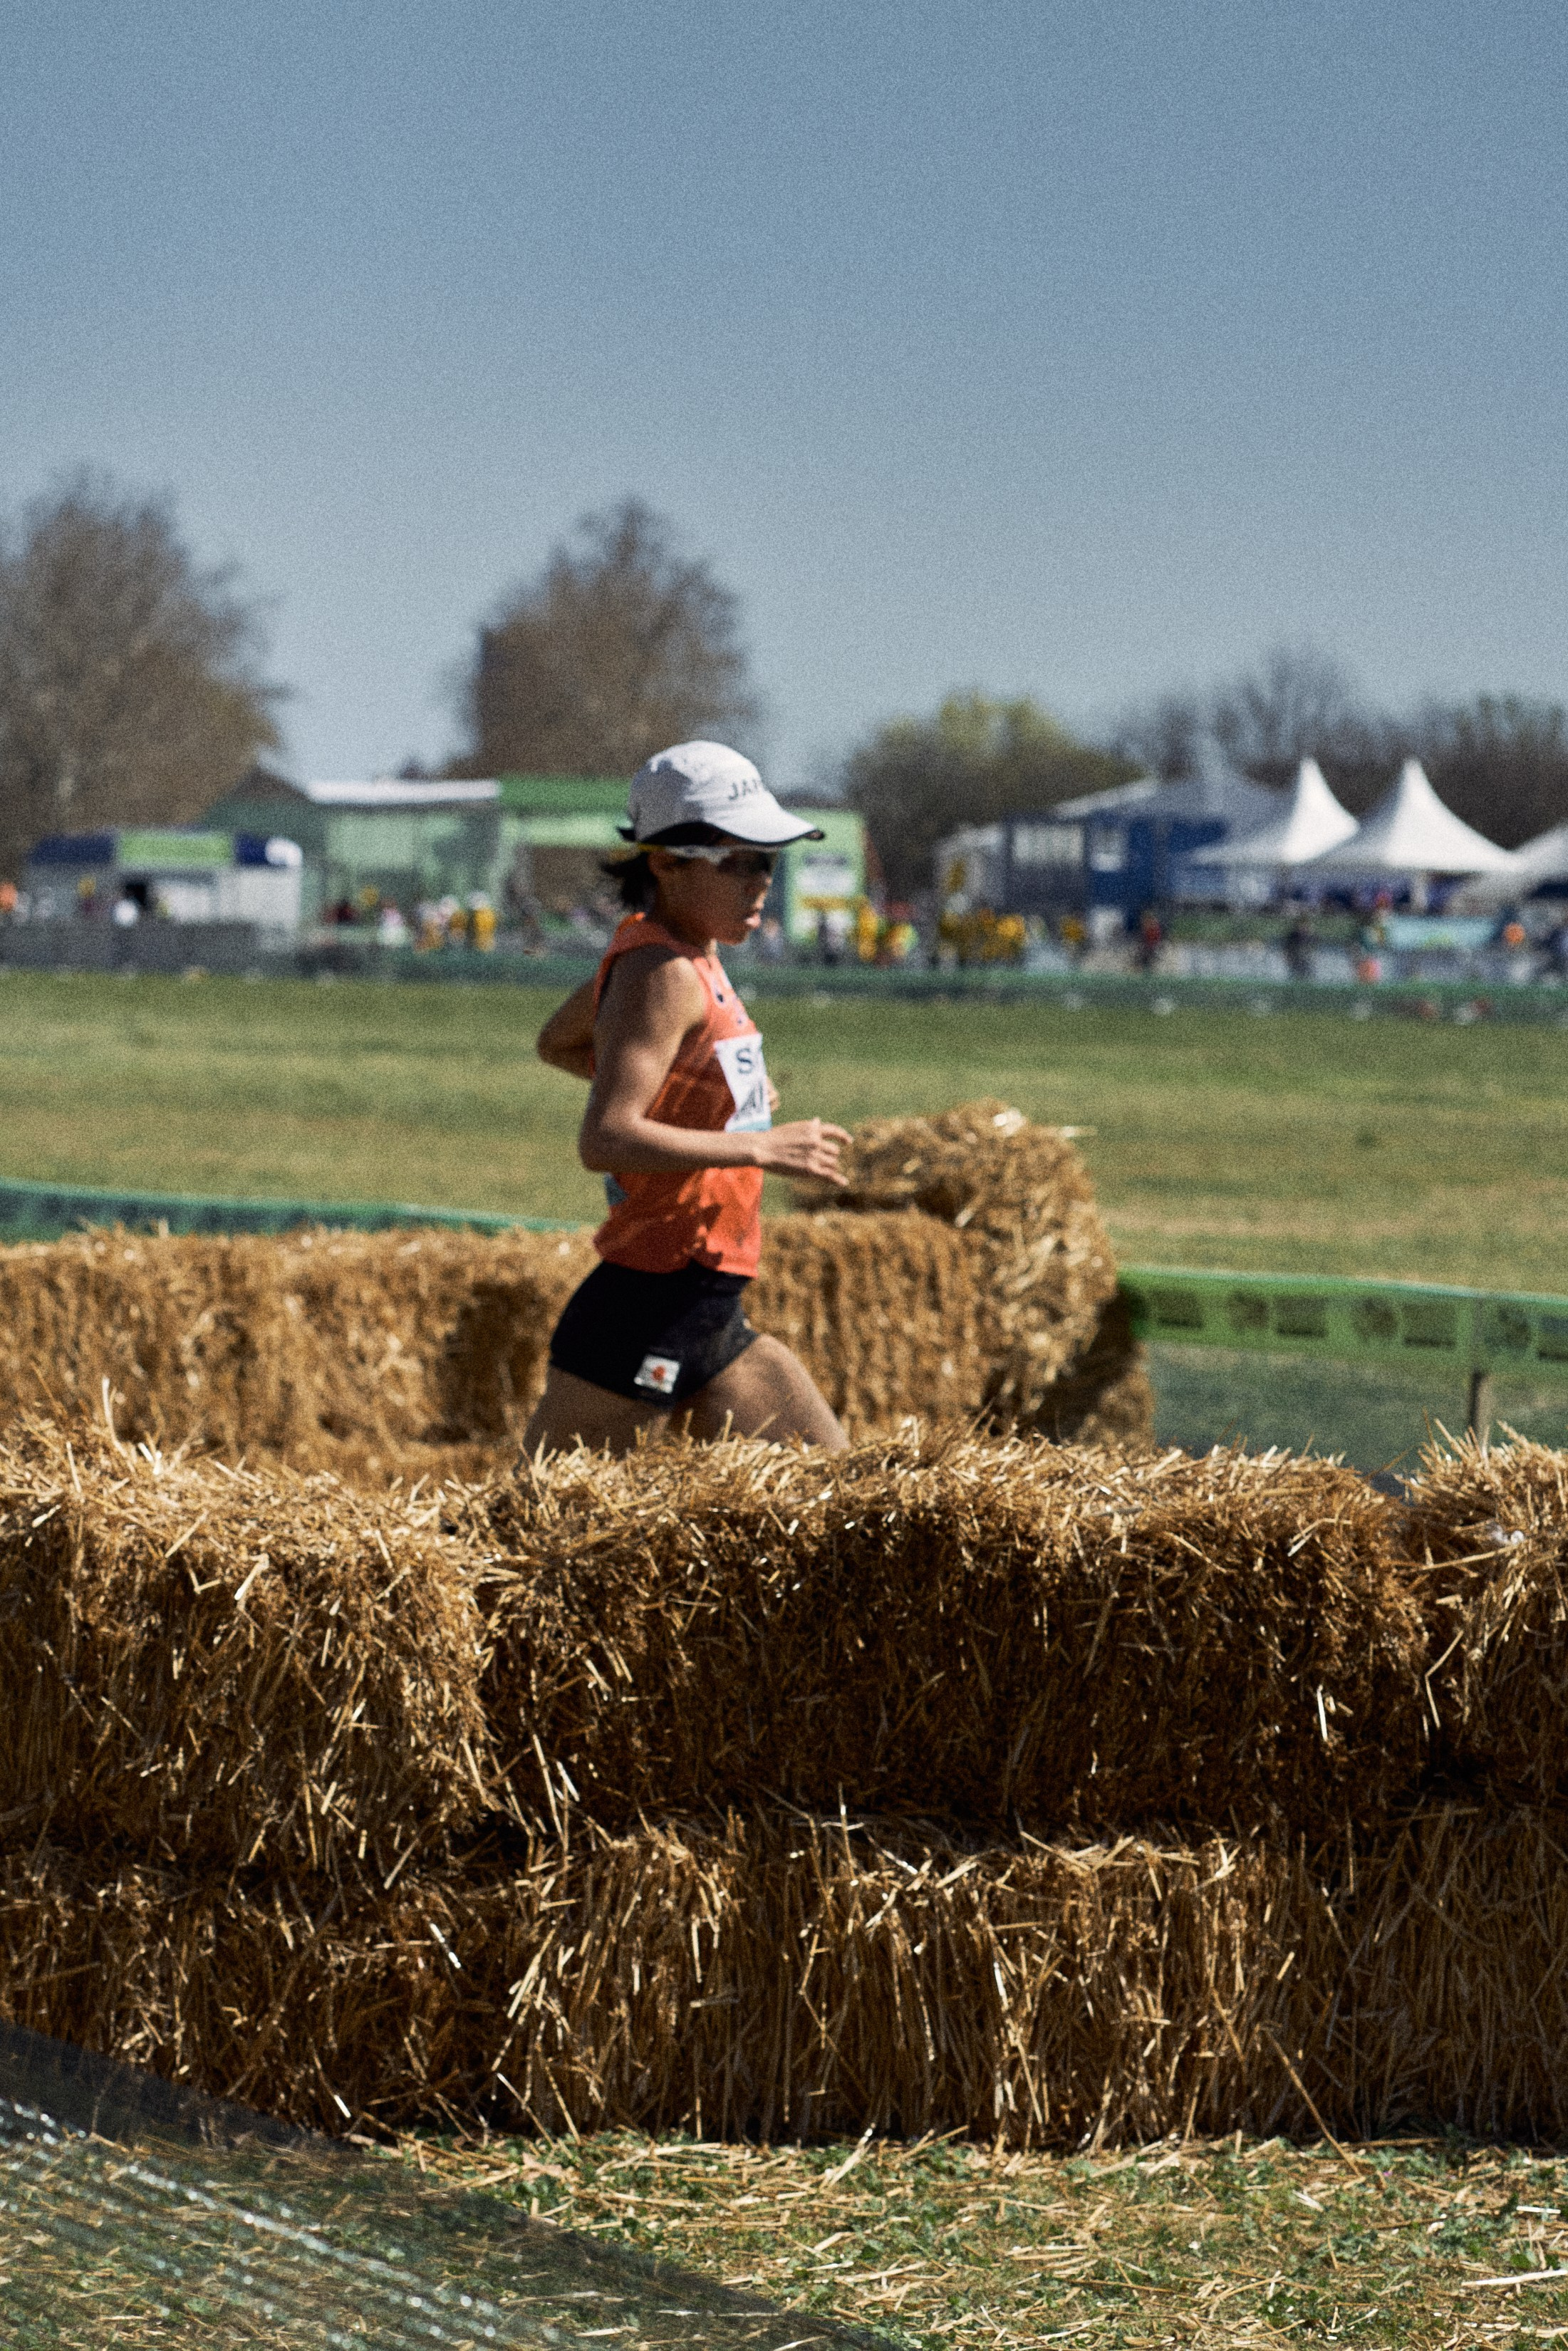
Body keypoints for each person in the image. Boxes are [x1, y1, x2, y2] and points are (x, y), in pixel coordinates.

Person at [524, 741, 852, 1457]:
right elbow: (605, 1137)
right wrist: (755, 1144)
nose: (759, 883)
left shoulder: (682, 956)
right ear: (664, 864)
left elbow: (560, 1041)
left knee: (842, 1493)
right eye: (736, 863)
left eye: (767, 861)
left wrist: (708, 1097)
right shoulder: (662, 971)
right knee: (531, 1539)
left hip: (703, 1300)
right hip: (649, 1299)